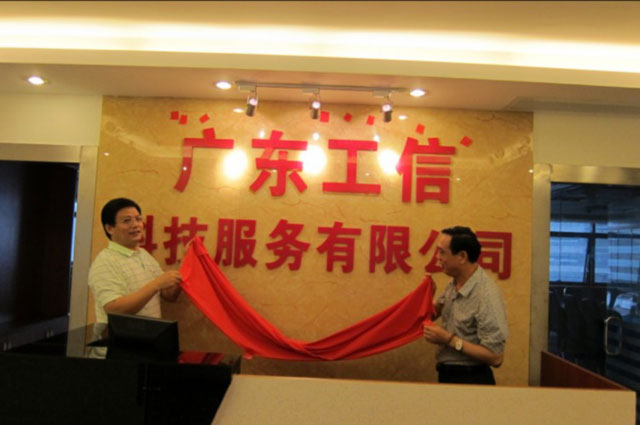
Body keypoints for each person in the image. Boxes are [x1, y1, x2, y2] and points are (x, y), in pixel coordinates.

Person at [423, 226, 508, 385]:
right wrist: (426, 296)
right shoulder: (454, 283)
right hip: (447, 375)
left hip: (472, 380)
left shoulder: (486, 294)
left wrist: (449, 339)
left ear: (462, 256)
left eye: (442, 252)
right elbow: (432, 314)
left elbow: (496, 357)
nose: (438, 258)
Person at [88, 198, 182, 341]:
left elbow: (169, 295)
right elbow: (114, 310)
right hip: (120, 347)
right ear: (109, 228)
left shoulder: (143, 254)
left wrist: (185, 267)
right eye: (127, 221)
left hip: (148, 342)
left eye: (138, 219)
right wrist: (156, 284)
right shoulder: (105, 262)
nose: (136, 225)